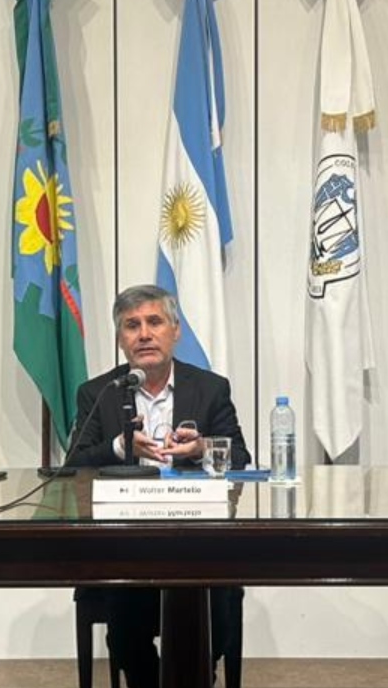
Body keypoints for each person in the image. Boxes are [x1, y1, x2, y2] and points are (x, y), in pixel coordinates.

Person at [66, 284, 249, 688]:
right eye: (132, 326)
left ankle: (196, 675)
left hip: (199, 540)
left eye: (154, 322)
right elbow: (74, 464)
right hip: (126, 544)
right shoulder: (98, 392)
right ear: (120, 338)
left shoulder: (210, 388)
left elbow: (239, 457)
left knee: (217, 608)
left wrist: (201, 447)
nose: (144, 334)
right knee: (125, 622)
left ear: (175, 330)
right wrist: (120, 446)